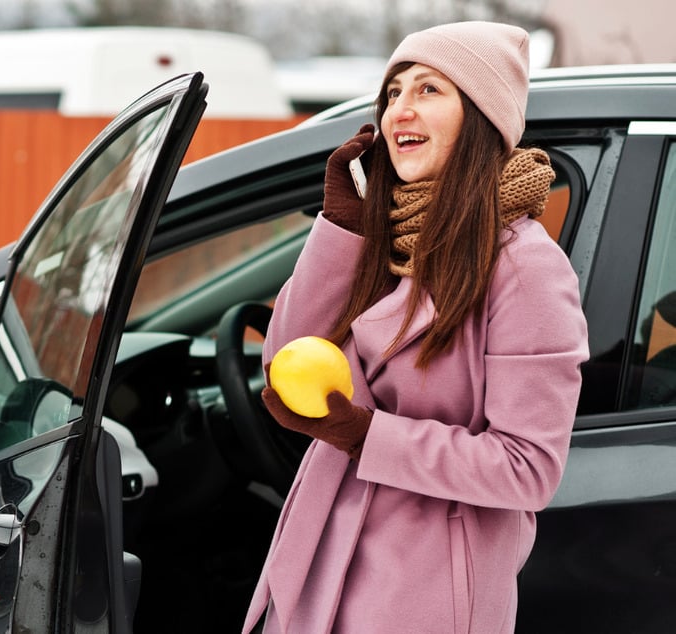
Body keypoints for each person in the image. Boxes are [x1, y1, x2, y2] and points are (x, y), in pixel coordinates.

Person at [244, 21, 589, 633]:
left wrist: (365, 437)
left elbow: (528, 467)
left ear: (481, 116)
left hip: (426, 593)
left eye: (429, 90)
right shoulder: (389, 245)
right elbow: (284, 361)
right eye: (393, 91)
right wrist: (341, 230)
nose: (400, 108)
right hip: (323, 563)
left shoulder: (525, 266)